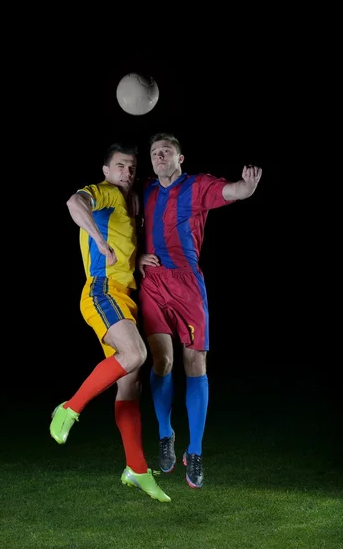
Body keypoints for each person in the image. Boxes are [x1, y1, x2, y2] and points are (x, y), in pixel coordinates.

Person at [138, 132, 262, 489]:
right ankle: (165, 434)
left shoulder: (197, 186)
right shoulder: (143, 190)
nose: (160, 156)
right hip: (152, 281)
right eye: (155, 152)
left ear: (180, 159)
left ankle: (195, 451)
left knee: (195, 363)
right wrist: (134, 259)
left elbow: (233, 191)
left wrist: (247, 187)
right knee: (161, 361)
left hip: (188, 285)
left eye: (167, 152)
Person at [50, 142, 171, 503]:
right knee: (135, 355)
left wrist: (138, 261)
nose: (127, 173)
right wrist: (99, 241)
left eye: (132, 167)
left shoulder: (130, 203)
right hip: (102, 292)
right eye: (120, 166)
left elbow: (124, 249)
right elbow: (74, 204)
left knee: (130, 385)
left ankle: (136, 469)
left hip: (124, 297)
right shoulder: (102, 192)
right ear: (106, 170)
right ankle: (69, 408)